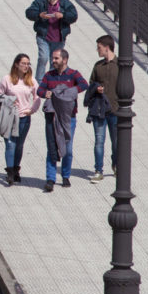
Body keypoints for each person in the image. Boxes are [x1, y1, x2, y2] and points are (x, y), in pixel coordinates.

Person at [36, 48, 88, 192]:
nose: (53, 61)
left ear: (64, 60)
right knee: (52, 147)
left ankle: (65, 176)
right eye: (53, 58)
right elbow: (39, 90)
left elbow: (84, 84)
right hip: (52, 117)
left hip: (68, 117)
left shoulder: (73, 74)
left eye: (56, 58)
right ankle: (50, 179)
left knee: (68, 149)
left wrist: (69, 92)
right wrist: (45, 93)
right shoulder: (48, 75)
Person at [0, 53, 40, 185]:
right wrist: (9, 101)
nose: (26, 66)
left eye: (28, 64)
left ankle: (16, 169)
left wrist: (32, 110)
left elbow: (37, 97)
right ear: (16, 64)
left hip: (24, 118)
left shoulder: (31, 80)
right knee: (10, 144)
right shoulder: (7, 79)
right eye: (23, 63)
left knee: (19, 145)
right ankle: (9, 172)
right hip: (9, 117)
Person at [24, 0, 79, 84]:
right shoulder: (40, 1)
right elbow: (29, 12)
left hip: (59, 38)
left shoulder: (65, 3)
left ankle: (51, 82)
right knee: (43, 57)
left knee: (55, 61)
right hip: (43, 36)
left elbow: (74, 16)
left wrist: (63, 16)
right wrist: (39, 15)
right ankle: (39, 82)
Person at [87, 34, 117, 183]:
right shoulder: (98, 66)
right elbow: (90, 84)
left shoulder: (120, 65)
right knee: (99, 141)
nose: (97, 50)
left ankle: (116, 164)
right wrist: (96, 88)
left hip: (116, 110)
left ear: (107, 47)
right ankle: (98, 170)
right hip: (99, 110)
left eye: (99, 47)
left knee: (117, 142)